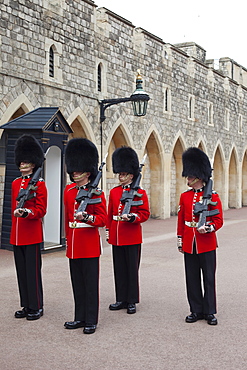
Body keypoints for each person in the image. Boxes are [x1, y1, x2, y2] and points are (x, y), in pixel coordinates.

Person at [63, 138, 107, 334]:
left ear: (87, 172)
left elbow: (103, 219)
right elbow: (67, 218)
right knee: (77, 285)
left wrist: (88, 217)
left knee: (90, 285)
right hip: (73, 245)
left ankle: (91, 320)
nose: (74, 172)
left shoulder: (96, 192)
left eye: (78, 170)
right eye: (73, 169)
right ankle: (79, 317)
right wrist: (67, 241)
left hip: (88, 245)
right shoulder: (69, 191)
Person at [177, 147, 223, 325]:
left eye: (190, 176)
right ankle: (195, 310)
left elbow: (218, 220)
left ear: (198, 177)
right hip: (190, 241)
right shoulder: (185, 196)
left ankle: (209, 311)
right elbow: (181, 220)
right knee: (192, 278)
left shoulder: (213, 197)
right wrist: (180, 239)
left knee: (209, 278)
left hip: (206, 242)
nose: (187, 179)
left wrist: (209, 227)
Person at [106, 146, 150, 314]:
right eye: (119, 174)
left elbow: (145, 214)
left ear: (131, 175)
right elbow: (111, 213)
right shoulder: (114, 192)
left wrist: (132, 218)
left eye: (123, 174)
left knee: (131, 269)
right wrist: (109, 231)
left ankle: (131, 300)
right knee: (119, 268)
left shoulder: (140, 193)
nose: (120, 177)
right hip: (117, 235)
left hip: (131, 236)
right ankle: (120, 299)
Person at [11, 134, 47, 320]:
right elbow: (12, 209)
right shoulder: (16, 183)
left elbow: (41, 210)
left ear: (33, 164)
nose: (22, 165)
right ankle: (26, 304)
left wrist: (27, 213)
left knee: (32, 273)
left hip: (32, 235)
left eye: (26, 162)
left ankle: (37, 306)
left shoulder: (39, 185)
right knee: (21, 272)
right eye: (21, 162)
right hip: (18, 235)